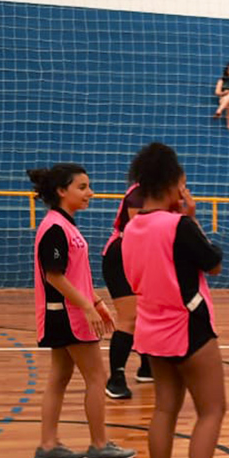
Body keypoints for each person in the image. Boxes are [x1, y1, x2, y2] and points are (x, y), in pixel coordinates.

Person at [122, 142, 229, 458]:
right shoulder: (180, 225)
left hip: (152, 327)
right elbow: (215, 263)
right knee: (212, 410)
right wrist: (192, 219)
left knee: (164, 409)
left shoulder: (131, 227)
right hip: (189, 326)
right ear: (176, 183)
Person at [28, 164, 136, 458]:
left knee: (59, 378)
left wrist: (96, 300)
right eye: (83, 187)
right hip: (68, 316)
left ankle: (48, 445)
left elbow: (73, 276)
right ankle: (99, 445)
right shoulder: (54, 228)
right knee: (96, 377)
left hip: (68, 312)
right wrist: (86, 307)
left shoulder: (66, 226)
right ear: (62, 191)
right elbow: (55, 276)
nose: (91, 193)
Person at [102, 162, 153, 400]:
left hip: (143, 257)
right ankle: (116, 378)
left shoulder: (161, 196)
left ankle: (147, 366)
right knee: (129, 317)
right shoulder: (138, 195)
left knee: (147, 312)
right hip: (121, 255)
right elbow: (138, 231)